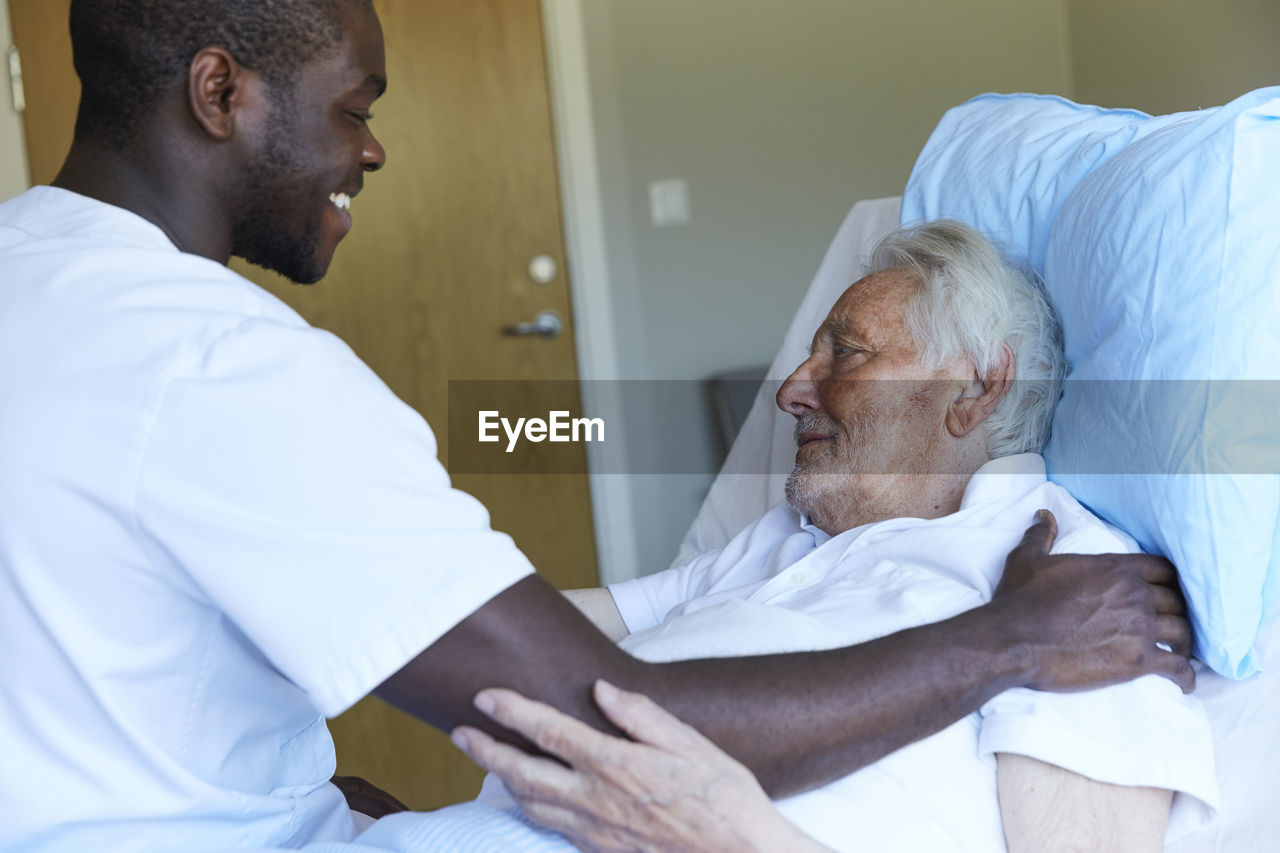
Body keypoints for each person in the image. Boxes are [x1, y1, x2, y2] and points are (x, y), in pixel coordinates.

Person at [0, 1, 1194, 851]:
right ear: (220, 92)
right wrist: (996, 646)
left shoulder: (1060, 572)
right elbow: (571, 690)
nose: (369, 147)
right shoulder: (221, 368)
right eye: (352, 107)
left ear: (975, 387)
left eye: (847, 352)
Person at [439, 222, 1217, 851]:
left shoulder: (1069, 585)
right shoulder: (786, 538)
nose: (788, 390)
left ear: (977, 386)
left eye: (846, 351)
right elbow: (536, 625)